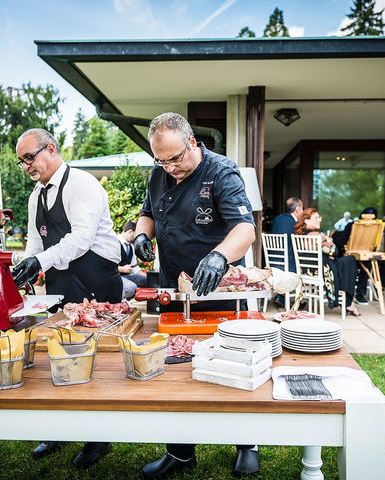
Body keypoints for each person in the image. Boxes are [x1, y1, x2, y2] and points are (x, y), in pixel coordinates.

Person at [133, 112, 258, 479]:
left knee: (232, 366)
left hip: (221, 287)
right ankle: (180, 451)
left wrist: (219, 255)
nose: (169, 167)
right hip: (176, 287)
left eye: (175, 158)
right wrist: (143, 234)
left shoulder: (222, 172)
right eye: (161, 160)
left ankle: (247, 443)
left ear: (192, 142)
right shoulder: (160, 173)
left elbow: (244, 229)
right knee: (177, 370)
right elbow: (147, 214)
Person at [12, 128, 122, 469]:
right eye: (22, 162)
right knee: (58, 357)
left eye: (30, 157)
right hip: (61, 283)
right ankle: (58, 428)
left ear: (52, 149)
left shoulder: (82, 185)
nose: (27, 166)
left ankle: (98, 438)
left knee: (96, 364)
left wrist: (40, 261)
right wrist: (27, 270)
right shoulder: (35, 196)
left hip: (97, 280)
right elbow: (35, 241)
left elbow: (81, 240)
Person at [295, 208, 361, 316]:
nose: (319, 220)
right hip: (323, 270)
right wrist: (330, 243)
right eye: (316, 218)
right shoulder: (317, 236)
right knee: (350, 260)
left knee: (344, 262)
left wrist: (327, 254)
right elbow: (334, 252)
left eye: (319, 217)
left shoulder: (300, 235)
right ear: (306, 221)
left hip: (308, 270)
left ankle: (349, 302)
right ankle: (348, 302)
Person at [333, 207, 385, 305]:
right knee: (365, 263)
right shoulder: (353, 225)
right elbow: (340, 241)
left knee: (384, 260)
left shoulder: (377, 226)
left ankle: (379, 287)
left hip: (366, 254)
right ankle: (360, 293)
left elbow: (375, 244)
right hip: (351, 255)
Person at [270, 196, 303, 307]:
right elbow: (294, 245)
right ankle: (297, 299)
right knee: (301, 263)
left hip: (273, 261)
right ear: (297, 209)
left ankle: (282, 296)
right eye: (302, 209)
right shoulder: (294, 223)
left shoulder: (277, 219)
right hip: (286, 263)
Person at [117, 220, 147, 300]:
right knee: (131, 287)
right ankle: (114, 303)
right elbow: (106, 266)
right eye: (136, 235)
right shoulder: (114, 242)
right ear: (130, 231)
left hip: (125, 277)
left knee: (147, 280)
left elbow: (135, 269)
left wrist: (150, 277)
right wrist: (122, 269)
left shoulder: (131, 247)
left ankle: (125, 301)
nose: (136, 238)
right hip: (113, 276)